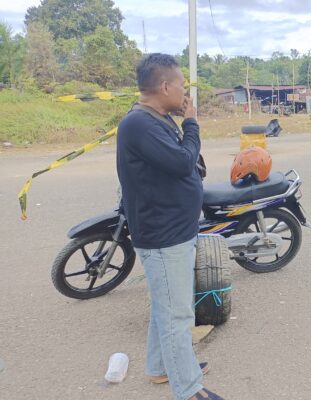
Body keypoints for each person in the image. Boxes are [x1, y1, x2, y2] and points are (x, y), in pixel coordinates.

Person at [116, 53, 224, 400]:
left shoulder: (155, 118)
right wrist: (191, 122)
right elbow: (182, 162)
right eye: (181, 85)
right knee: (177, 315)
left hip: (172, 230)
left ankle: (161, 367)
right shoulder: (139, 124)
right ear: (165, 86)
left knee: (165, 306)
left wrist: (181, 119)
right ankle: (188, 388)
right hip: (163, 236)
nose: (184, 93)